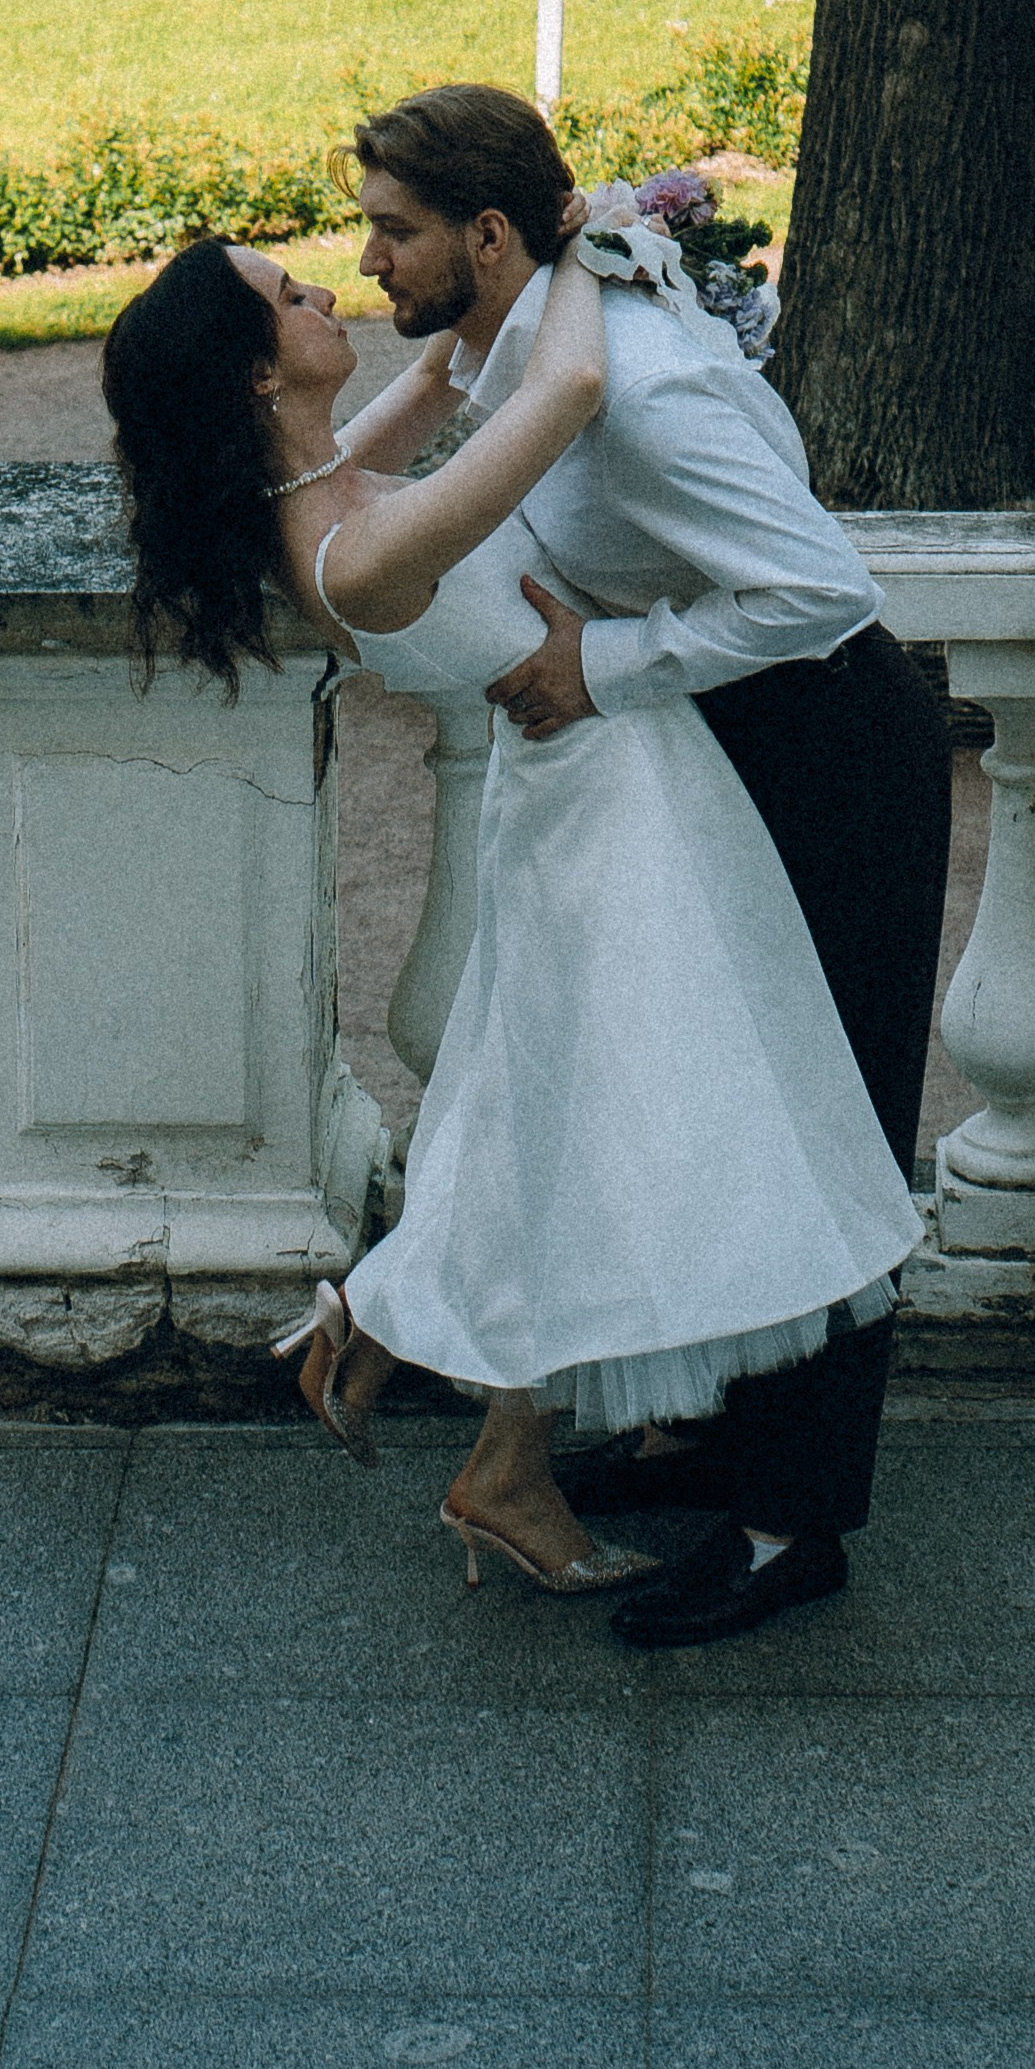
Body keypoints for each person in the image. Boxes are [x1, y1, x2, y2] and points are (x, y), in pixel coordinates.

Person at [99, 187, 925, 1620]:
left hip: (608, 802)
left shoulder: (329, 479)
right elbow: (571, 385)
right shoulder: (361, 546)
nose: (331, 291)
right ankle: (472, 1390)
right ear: (252, 373)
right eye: (290, 297)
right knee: (671, 1135)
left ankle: (444, 1373)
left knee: (566, 1128)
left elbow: (443, 375)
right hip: (616, 819)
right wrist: (587, 247)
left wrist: (520, 271)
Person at [338, 83, 952, 1645]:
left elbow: (820, 583)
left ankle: (787, 1524)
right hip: (720, 749)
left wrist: (607, 663)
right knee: (704, 1104)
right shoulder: (539, 336)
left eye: (395, 234)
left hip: (827, 758)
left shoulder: (642, 379)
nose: (368, 264)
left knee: (815, 1120)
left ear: (488, 234)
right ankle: (722, 1432)